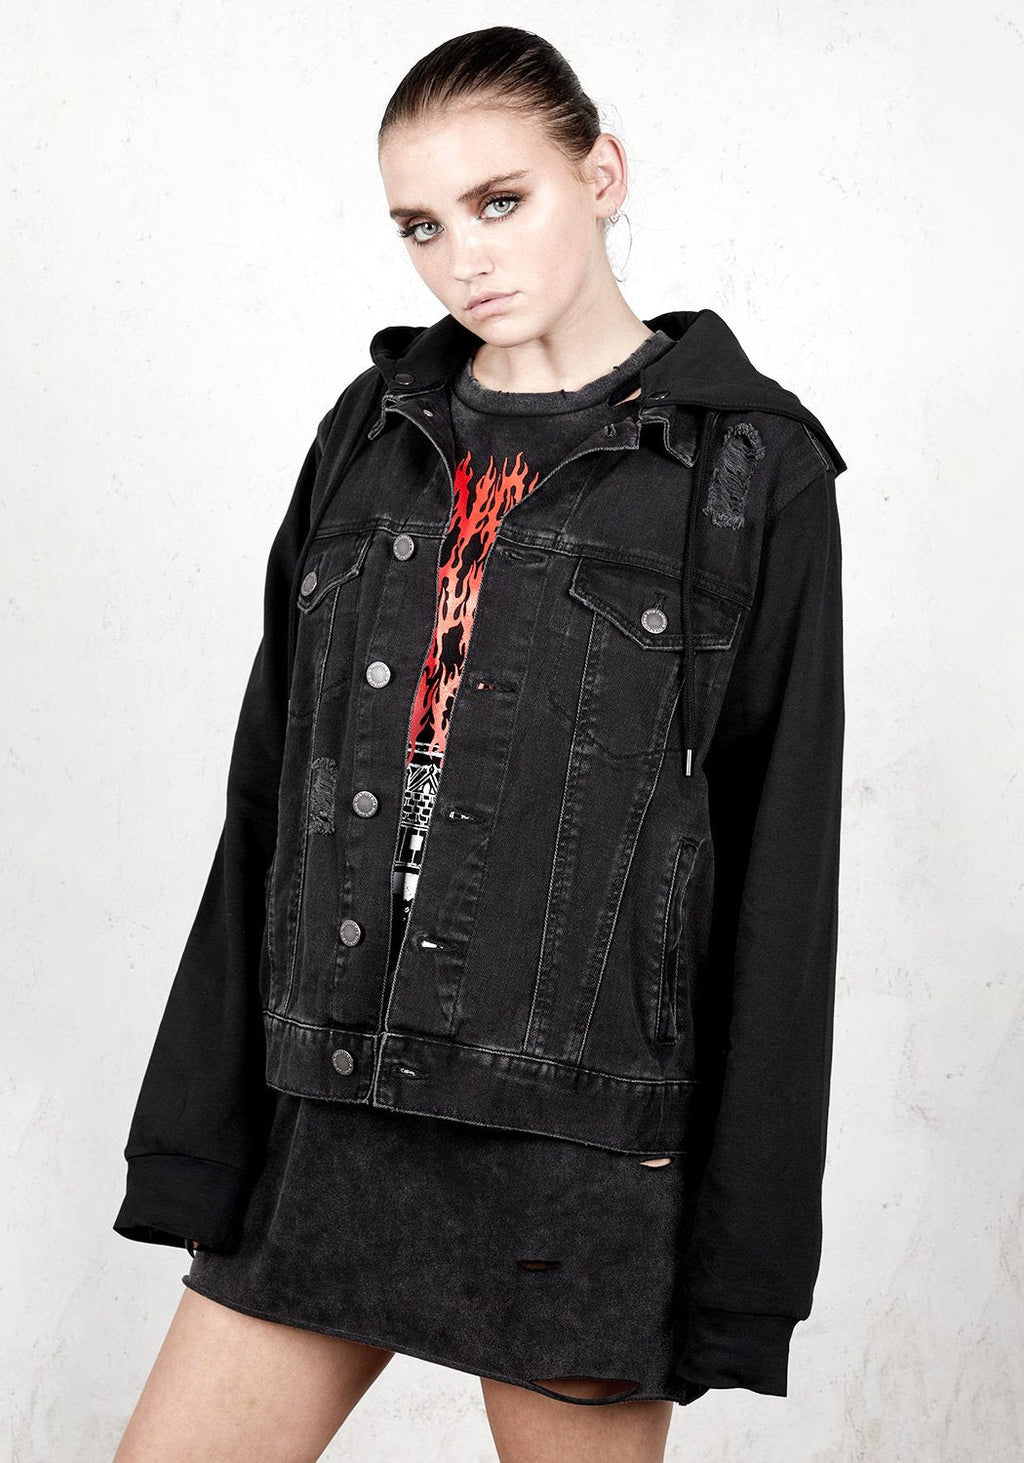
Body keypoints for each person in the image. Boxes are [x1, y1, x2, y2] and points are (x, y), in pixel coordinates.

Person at [111, 26, 847, 1463]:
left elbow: (780, 868)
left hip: (577, 1141)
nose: (465, 260)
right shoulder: (370, 431)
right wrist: (205, 1123)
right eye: (422, 226)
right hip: (335, 1093)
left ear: (602, 172)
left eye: (501, 201)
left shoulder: (749, 470)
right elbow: (269, 790)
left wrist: (741, 1255)